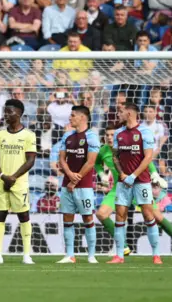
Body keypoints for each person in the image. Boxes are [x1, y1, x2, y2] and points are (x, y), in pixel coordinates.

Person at [107, 103, 161, 264]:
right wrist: (123, 174)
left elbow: (148, 157)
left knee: (148, 214)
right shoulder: (118, 133)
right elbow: (115, 156)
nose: (119, 114)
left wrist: (133, 175)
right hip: (123, 181)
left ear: (129, 113)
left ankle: (156, 254)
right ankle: (119, 255)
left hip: (141, 181)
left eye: (121, 111)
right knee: (120, 215)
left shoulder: (145, 132)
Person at [0, 99, 35, 265]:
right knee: (0, 215)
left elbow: (30, 160)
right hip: (1, 182)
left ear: (19, 114)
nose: (6, 115)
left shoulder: (29, 135)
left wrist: (13, 177)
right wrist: (2, 177)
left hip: (19, 183)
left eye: (9, 112)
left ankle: (27, 254)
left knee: (24, 216)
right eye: (5, 112)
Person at [54, 106, 99, 264]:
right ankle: (70, 255)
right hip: (67, 184)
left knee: (88, 217)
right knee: (67, 218)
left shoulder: (92, 136)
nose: (70, 118)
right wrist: (70, 176)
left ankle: (91, 255)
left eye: (73, 115)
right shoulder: (67, 136)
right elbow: (61, 159)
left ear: (82, 117)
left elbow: (91, 161)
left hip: (84, 185)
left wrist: (75, 180)